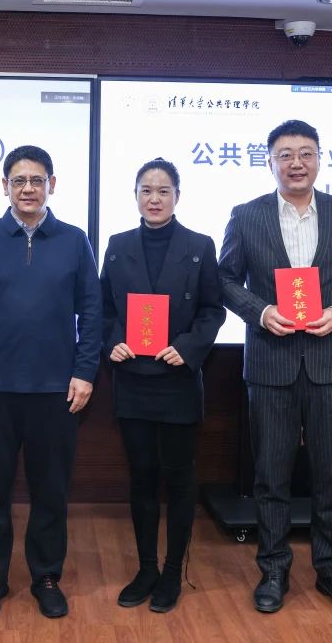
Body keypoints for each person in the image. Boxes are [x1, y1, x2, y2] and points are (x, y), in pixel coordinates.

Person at [218, 119, 332, 617]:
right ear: (269, 161)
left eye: (305, 153)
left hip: (330, 363)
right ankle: (273, 567)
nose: (296, 163)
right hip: (271, 363)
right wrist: (261, 311)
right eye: (285, 154)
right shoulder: (246, 215)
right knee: (271, 475)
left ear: (319, 159)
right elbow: (225, 280)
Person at [0, 145, 101, 620]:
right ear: (5, 186)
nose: (28, 189)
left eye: (37, 180)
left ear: (52, 185)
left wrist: (85, 371)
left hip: (56, 391)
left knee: (50, 492)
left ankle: (46, 577)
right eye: (19, 181)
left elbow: (92, 311)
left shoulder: (74, 240)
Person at [100, 158, 224, 613]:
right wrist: (112, 341)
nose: (154, 199)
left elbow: (213, 310)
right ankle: (146, 568)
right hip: (132, 379)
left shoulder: (199, 245)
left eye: (163, 191)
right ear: (135, 195)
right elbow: (103, 308)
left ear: (177, 196)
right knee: (142, 476)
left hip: (177, 380)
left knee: (179, 476)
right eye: (146, 190)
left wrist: (187, 348)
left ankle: (173, 571)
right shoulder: (117, 245)